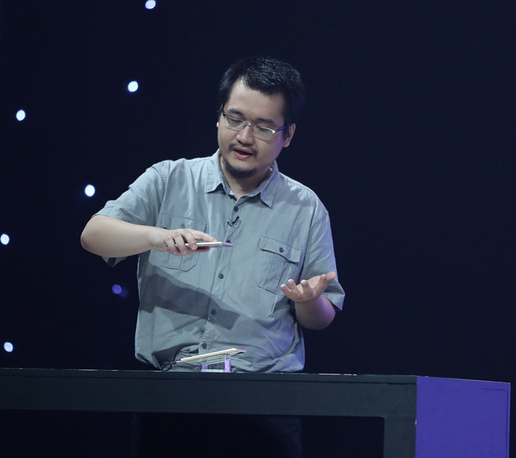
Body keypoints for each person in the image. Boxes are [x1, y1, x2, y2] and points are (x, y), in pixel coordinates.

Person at [80, 56, 344, 456]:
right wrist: (157, 237)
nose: (245, 136)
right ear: (219, 115)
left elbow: (321, 318)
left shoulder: (305, 208)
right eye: (235, 119)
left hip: (265, 401)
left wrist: (309, 300)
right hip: (169, 393)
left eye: (263, 127)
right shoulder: (169, 179)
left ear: (287, 135)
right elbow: (93, 235)